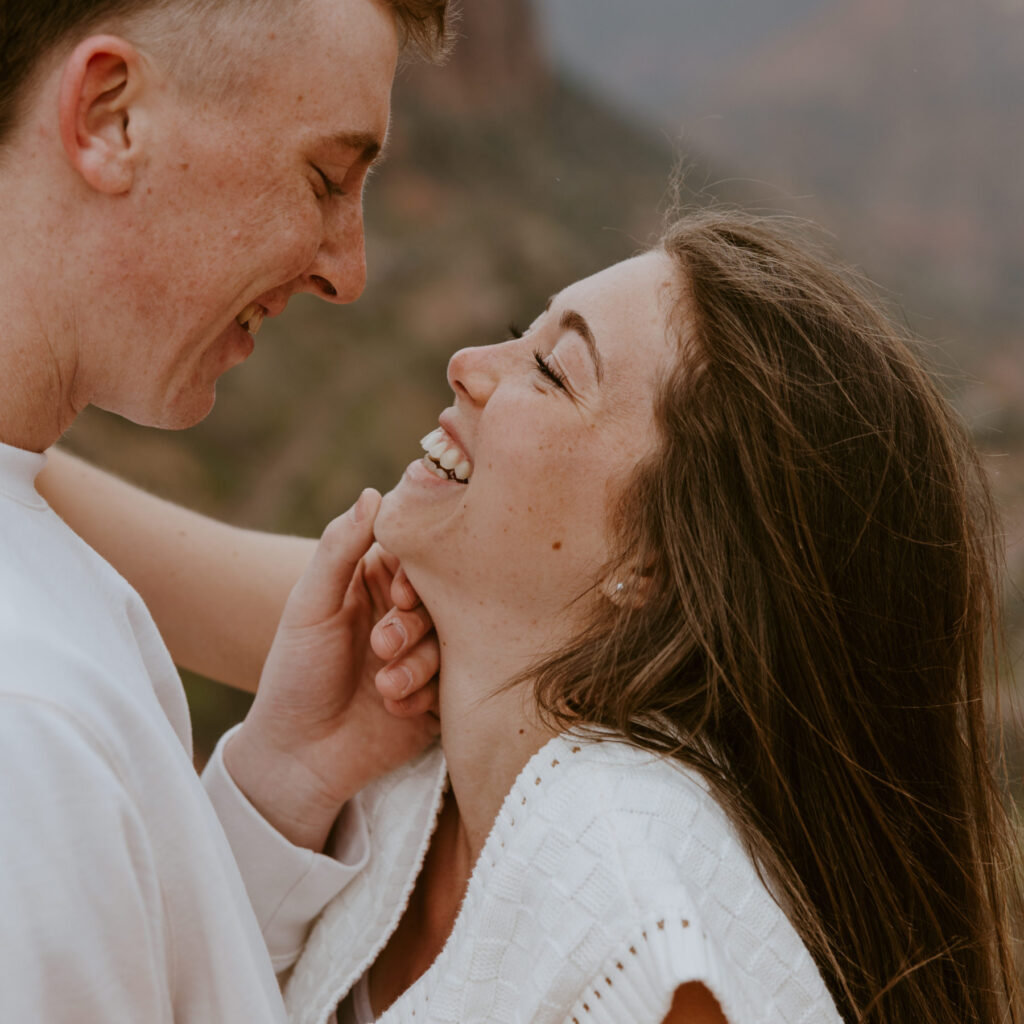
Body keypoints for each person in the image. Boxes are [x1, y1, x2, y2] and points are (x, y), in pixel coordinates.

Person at [46, 209, 1024, 1023]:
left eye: (553, 371)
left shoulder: (632, 911)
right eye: (524, 331)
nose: (469, 362)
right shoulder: (427, 721)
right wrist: (285, 775)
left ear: (655, 564)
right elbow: (53, 512)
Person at [0, 0, 451, 1020]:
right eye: (325, 179)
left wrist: (284, 776)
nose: (349, 269)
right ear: (110, 115)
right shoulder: (25, 716)